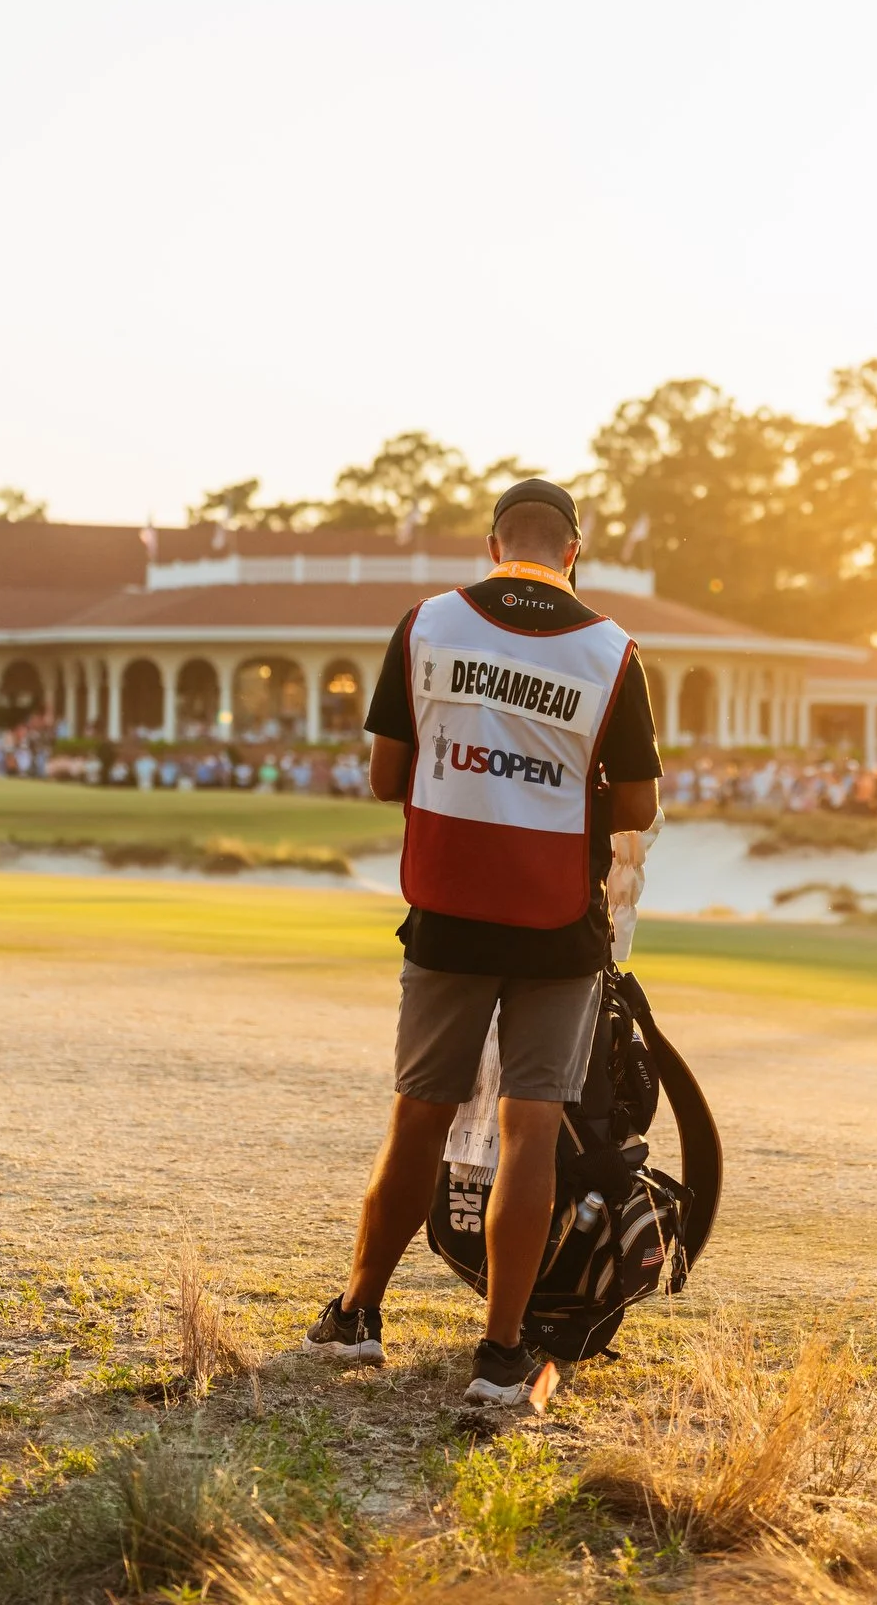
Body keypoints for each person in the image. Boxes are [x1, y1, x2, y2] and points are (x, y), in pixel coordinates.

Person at [301, 478, 661, 1406]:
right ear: (574, 552)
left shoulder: (427, 625)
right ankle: (500, 1356)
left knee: (418, 1117)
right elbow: (639, 805)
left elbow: (388, 777)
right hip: (558, 928)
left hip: (450, 914)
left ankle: (357, 1317)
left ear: (494, 543)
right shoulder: (613, 652)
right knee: (530, 1132)